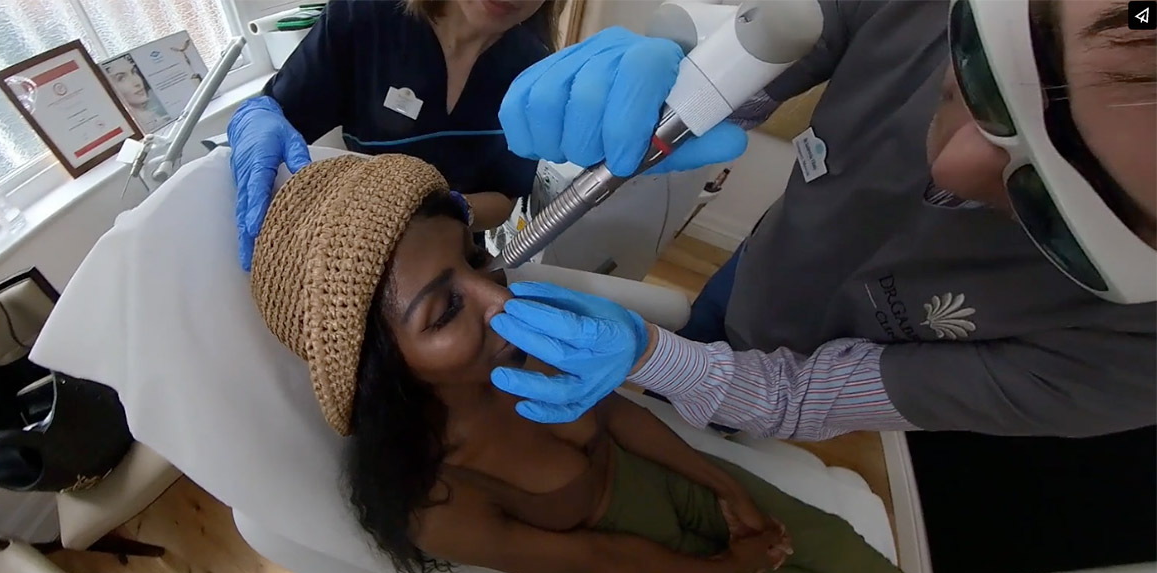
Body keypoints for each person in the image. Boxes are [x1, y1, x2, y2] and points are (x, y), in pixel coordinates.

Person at [249, 153, 1004, 573]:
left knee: (836, 545)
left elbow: (619, 419)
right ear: (385, 371)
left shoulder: (525, 353)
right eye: (445, 311)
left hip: (664, 483)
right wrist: (725, 565)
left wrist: (727, 488)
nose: (499, 297)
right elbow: (601, 559)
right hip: (636, 569)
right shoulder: (437, 497)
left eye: (478, 261)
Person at [487, 0, 1156, 439]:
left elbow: (800, 397)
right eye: (981, 74)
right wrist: (684, 81)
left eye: (1053, 213)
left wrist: (658, 360)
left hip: (810, 363)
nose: (949, 171)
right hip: (768, 261)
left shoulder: (1130, 358)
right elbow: (787, 32)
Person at [230, 0, 566, 270]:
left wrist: (447, 210)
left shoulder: (533, 71)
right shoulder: (363, 19)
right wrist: (257, 116)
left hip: (454, 253)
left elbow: (503, 197)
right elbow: (280, 117)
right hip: (358, 251)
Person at [104, 54, 168, 132]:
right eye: (121, 78)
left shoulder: (156, 114)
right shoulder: (126, 128)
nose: (137, 83)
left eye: (133, 72)